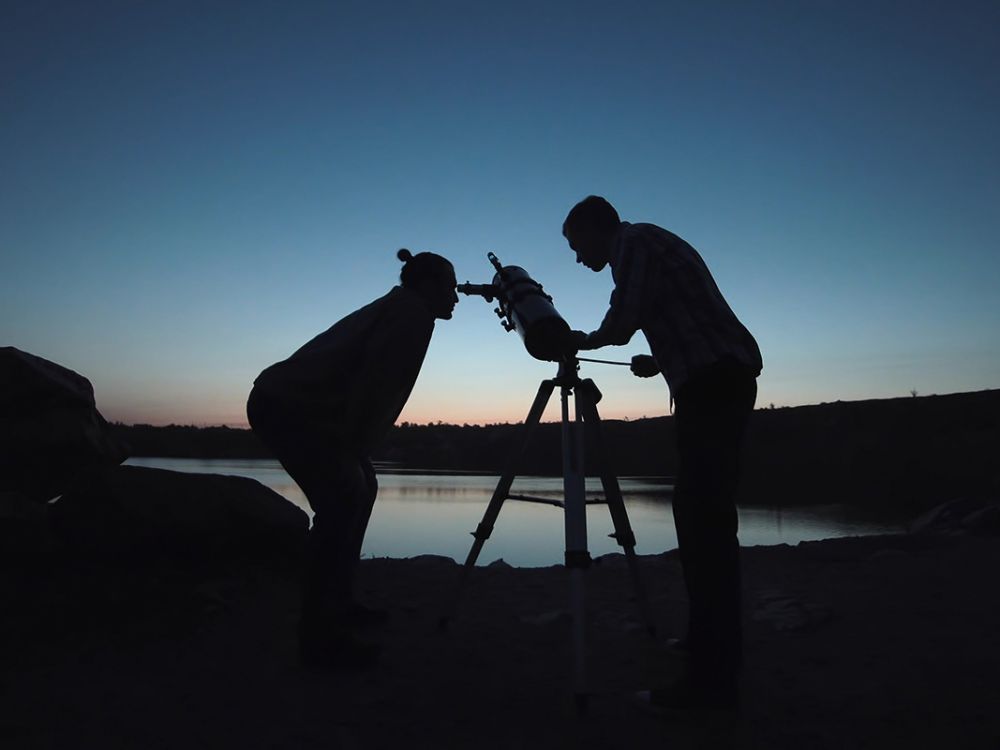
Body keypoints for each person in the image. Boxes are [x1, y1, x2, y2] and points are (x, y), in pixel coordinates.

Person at [561, 195, 762, 710]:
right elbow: (675, 310)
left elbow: (624, 316)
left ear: (593, 228)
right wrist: (660, 358)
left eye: (575, 245)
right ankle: (705, 643)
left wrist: (580, 340)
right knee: (697, 518)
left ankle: (711, 682)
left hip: (714, 383)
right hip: (713, 377)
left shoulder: (634, 242)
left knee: (704, 526)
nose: (577, 258)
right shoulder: (645, 243)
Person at [247, 248, 458, 670]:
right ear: (428, 285)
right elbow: (375, 382)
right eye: (450, 287)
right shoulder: (411, 314)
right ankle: (319, 637)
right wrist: (351, 441)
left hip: (302, 407)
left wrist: (355, 447)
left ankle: (339, 604)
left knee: (361, 490)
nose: (456, 297)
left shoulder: (405, 308)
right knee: (341, 504)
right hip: (289, 407)